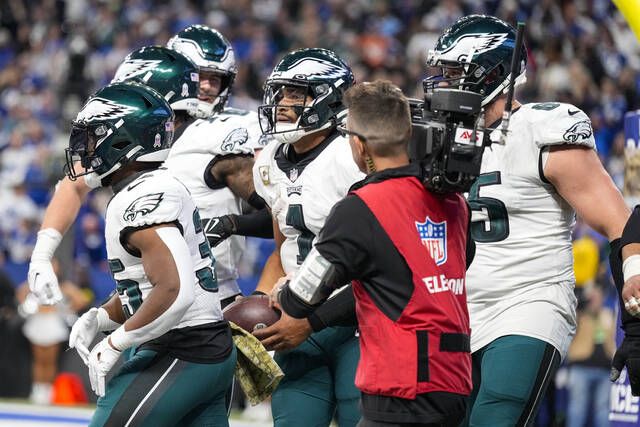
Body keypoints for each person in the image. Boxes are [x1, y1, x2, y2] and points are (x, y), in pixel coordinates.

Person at [424, 15, 631, 425]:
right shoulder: (434, 139)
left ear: (492, 75)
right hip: (455, 308)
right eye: (442, 72)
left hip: (527, 301)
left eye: (454, 73)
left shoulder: (540, 129)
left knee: (496, 417)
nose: (443, 83)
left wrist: (636, 278)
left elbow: (619, 220)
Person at [275, 80, 473, 427]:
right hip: (454, 378)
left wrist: (283, 291)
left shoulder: (361, 208)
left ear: (358, 143)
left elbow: (299, 300)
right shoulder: (454, 201)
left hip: (402, 386)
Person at [28, 25, 267, 310]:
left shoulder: (229, 131)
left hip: (209, 299)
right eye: (198, 75)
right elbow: (74, 181)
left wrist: (263, 288)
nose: (203, 86)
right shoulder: (135, 132)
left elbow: (280, 209)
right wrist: (42, 254)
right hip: (143, 297)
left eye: (215, 79)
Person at [66, 82, 235, 425]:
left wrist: (116, 343)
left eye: (95, 136)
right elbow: (150, 282)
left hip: (183, 348)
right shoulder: (149, 187)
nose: (86, 147)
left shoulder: (143, 197)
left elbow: (175, 291)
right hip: (203, 348)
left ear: (124, 140)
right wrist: (100, 317)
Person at [251, 48, 364, 427]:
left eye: (296, 94)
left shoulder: (352, 155)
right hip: (294, 317)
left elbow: (380, 250)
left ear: (330, 98)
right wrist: (255, 306)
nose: (282, 104)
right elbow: (282, 247)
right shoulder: (267, 161)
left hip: (358, 320)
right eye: (280, 94)